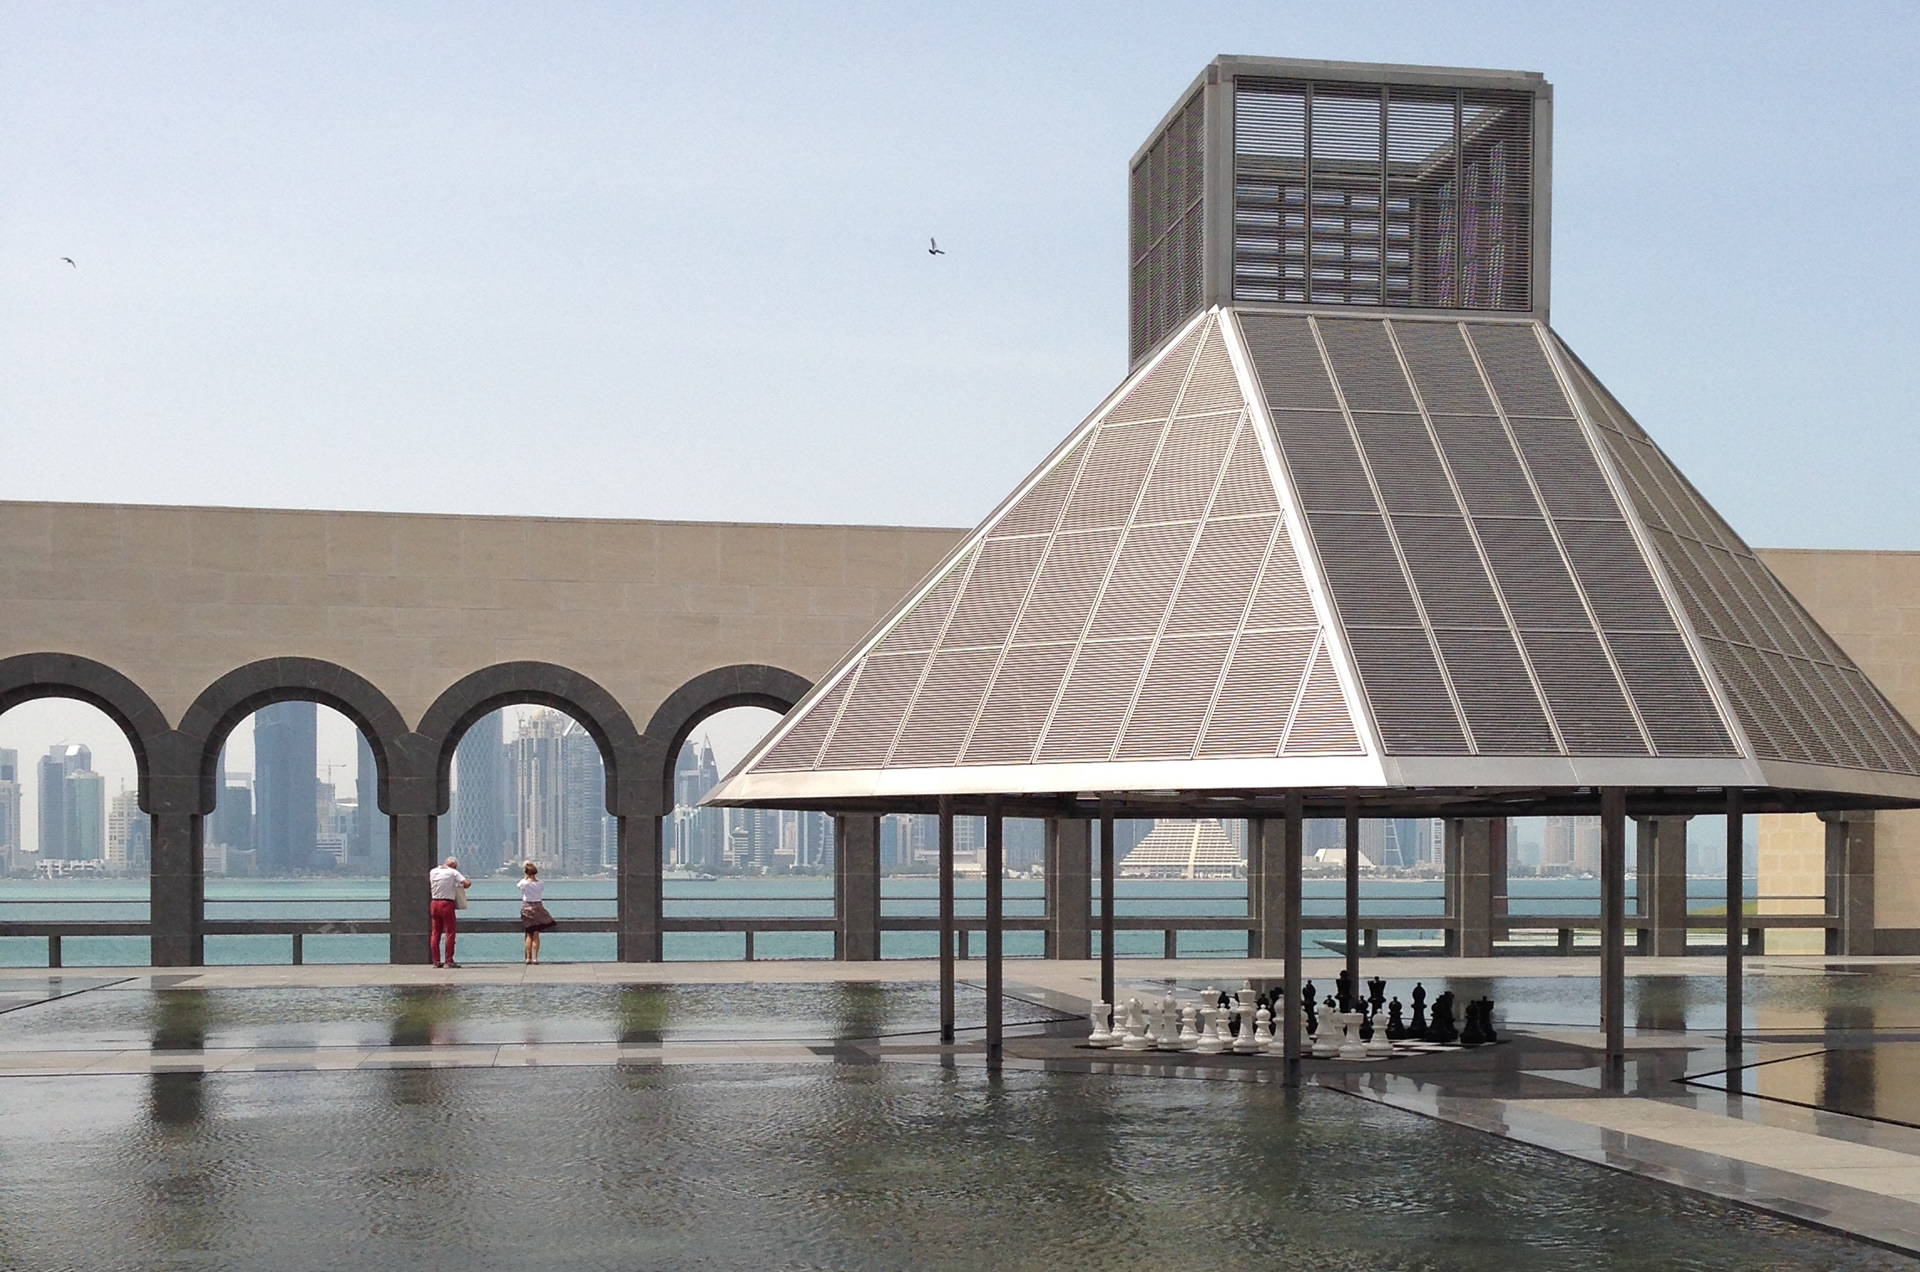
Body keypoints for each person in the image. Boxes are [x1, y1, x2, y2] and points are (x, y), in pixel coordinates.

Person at [428, 856, 470, 968]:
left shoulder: (433, 871)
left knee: (435, 932)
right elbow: (466, 883)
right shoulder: (453, 872)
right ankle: (448, 960)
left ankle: (436, 960)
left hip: (434, 902)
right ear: (454, 866)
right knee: (449, 932)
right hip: (447, 904)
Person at [519, 861, 556, 964]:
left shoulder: (524, 883)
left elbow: (519, 885)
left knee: (528, 934)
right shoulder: (541, 883)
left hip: (527, 907)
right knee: (536, 934)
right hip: (538, 907)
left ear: (526, 873)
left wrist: (525, 877)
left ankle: (528, 958)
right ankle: (535, 958)